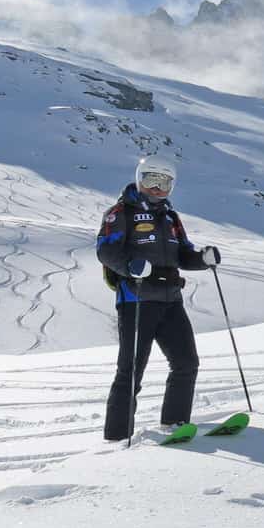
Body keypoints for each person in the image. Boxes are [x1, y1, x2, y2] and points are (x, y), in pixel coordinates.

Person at [95, 155, 221, 441]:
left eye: (164, 182)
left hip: (171, 301)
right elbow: (106, 251)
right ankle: (117, 437)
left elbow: (183, 254)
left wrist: (203, 259)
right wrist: (130, 266)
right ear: (140, 179)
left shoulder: (170, 218)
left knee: (186, 362)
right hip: (136, 301)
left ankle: (175, 424)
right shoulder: (120, 213)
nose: (157, 187)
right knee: (131, 371)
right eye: (151, 179)